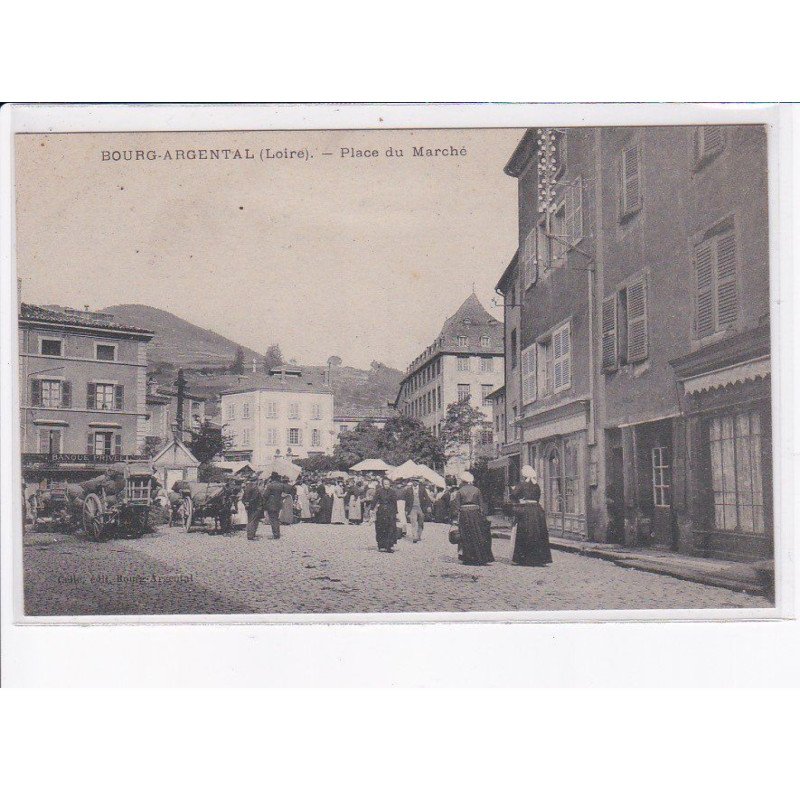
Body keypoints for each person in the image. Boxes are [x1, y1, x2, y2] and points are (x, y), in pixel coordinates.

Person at [510, 466, 552, 566]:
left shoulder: (521, 484)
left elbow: (514, 495)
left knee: (525, 533)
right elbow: (537, 498)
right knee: (538, 533)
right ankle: (539, 559)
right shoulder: (536, 485)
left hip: (526, 510)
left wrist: (518, 497)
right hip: (537, 510)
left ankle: (524, 559)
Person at [451, 471, 494, 566]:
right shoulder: (477, 490)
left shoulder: (460, 491)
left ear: (463, 481)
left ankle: (468, 558)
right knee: (477, 534)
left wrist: (455, 517)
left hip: (464, 514)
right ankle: (480, 557)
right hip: (475, 514)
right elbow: (481, 505)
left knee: (466, 535)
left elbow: (457, 507)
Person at [373, 476, 399, 552]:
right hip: (381, 511)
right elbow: (374, 500)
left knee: (390, 528)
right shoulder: (379, 491)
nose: (386, 485)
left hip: (390, 512)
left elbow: (395, 503)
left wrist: (396, 513)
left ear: (390, 484)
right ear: (382, 484)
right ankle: (381, 545)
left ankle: (389, 546)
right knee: (381, 528)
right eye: (385, 484)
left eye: (388, 484)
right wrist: (372, 509)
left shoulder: (393, 492)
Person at [403, 478, 433, 543]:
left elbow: (427, 498)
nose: (415, 482)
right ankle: (414, 537)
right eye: (414, 481)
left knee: (421, 523)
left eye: (417, 481)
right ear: (412, 482)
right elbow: (406, 501)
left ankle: (419, 535)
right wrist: (406, 510)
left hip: (421, 508)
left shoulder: (422, 489)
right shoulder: (408, 490)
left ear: (418, 482)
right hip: (412, 508)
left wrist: (428, 506)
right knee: (413, 522)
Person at [262, 472, 290, 539]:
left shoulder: (270, 485)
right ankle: (277, 533)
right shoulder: (281, 485)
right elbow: (284, 493)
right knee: (276, 518)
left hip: (271, 503)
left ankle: (275, 534)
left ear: (272, 478)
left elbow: (265, 495)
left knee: (272, 519)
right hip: (278, 503)